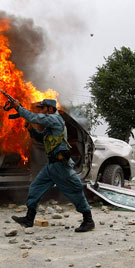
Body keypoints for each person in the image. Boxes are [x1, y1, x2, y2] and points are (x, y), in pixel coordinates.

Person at [10, 99, 95, 232]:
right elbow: (40, 138)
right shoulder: (50, 127)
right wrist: (30, 128)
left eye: (43, 108)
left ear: (50, 109)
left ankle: (88, 220)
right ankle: (29, 219)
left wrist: (19, 108)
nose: (41, 111)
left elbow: (35, 117)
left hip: (61, 165)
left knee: (75, 189)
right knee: (35, 187)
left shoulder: (55, 119)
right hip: (51, 165)